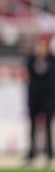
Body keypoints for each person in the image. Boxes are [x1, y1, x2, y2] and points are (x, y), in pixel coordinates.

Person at [26, 34, 55, 165]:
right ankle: (32, 152)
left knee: (48, 125)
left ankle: (49, 153)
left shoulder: (52, 59)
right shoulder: (31, 59)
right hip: (34, 96)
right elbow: (30, 72)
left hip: (47, 97)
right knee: (32, 125)